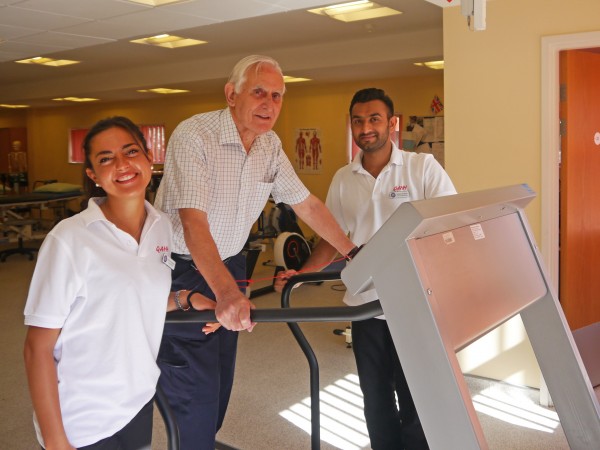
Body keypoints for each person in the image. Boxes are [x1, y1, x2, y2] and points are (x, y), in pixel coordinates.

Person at [153, 54, 357, 449]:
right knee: (193, 387)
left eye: (277, 96)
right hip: (183, 270)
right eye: (259, 92)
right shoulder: (195, 136)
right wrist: (227, 294)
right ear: (232, 95)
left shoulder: (270, 145)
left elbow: (306, 204)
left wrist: (353, 253)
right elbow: (194, 225)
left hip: (231, 263)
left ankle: (202, 440)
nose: (269, 104)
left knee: (220, 375)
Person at [276, 88, 457, 449]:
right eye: (358, 121)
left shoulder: (422, 168)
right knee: (374, 398)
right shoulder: (344, 178)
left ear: (392, 123)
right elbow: (331, 238)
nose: (366, 128)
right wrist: (304, 274)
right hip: (365, 305)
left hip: (414, 306)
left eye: (374, 119)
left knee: (416, 397)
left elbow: (448, 227)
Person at [22, 116, 218, 450]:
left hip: (136, 402)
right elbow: (36, 348)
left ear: (149, 158)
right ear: (93, 176)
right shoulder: (69, 240)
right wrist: (56, 442)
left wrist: (186, 298)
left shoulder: (161, 227)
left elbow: (132, 298)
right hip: (81, 420)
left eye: (130, 152)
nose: (122, 164)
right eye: (106, 158)